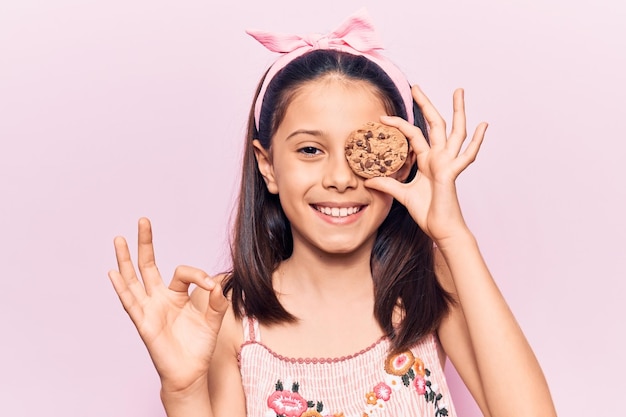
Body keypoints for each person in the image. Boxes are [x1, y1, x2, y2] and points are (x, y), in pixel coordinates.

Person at [108, 9, 557, 417]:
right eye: (309, 149)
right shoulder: (228, 312)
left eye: (359, 150)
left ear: (401, 161)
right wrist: (183, 392)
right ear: (268, 167)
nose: (340, 178)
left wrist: (454, 236)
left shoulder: (431, 281)